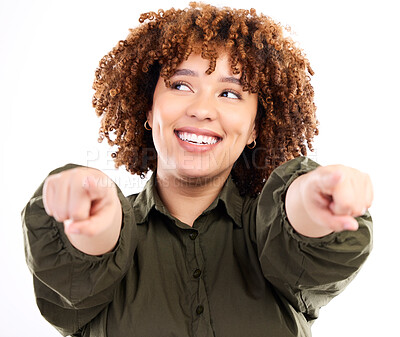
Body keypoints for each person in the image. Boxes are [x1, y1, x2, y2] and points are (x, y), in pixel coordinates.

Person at [22, 2, 373, 337]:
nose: (202, 109)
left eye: (231, 94)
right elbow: (75, 271)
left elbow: (304, 245)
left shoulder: (270, 231)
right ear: (148, 109)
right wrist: (86, 221)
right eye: (181, 85)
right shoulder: (110, 224)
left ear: (255, 128)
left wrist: (311, 202)